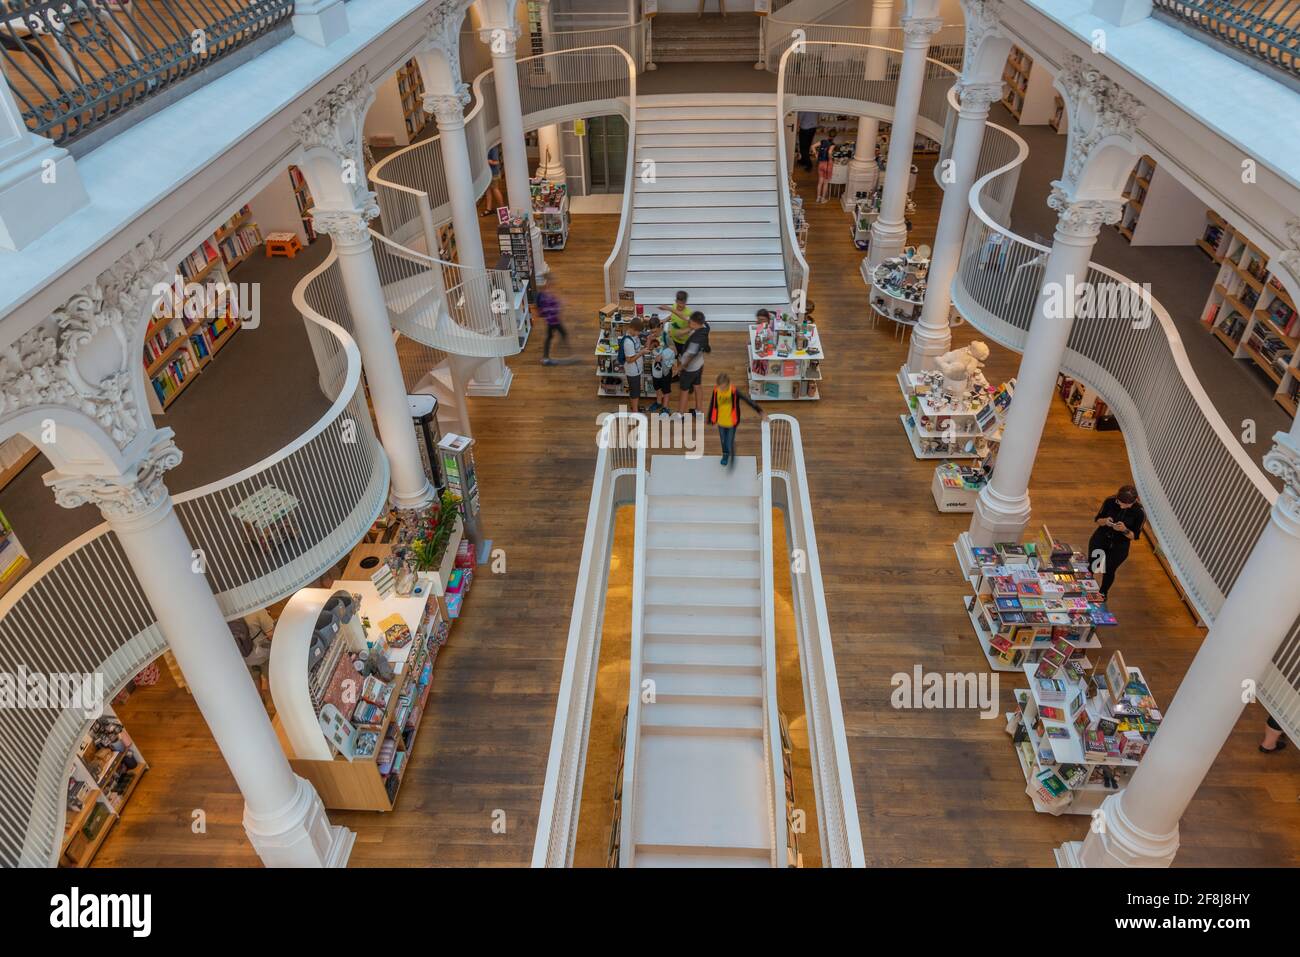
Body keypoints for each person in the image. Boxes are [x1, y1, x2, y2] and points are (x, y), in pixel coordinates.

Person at [1087, 484, 1145, 600]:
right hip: (1101, 539)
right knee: (1094, 564)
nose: (1122, 506)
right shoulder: (1110, 501)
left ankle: (1103, 592)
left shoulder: (1139, 513)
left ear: (1133, 502)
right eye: (1119, 503)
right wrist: (1105, 521)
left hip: (1119, 546)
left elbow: (1134, 536)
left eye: (1126, 505)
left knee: (1109, 570)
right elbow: (1098, 519)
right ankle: (1084, 586)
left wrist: (1125, 530)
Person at [707, 372, 765, 467]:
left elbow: (748, 400)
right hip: (721, 422)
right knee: (723, 440)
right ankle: (725, 454)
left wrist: (760, 411)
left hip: (731, 423)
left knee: (729, 440)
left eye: (724, 387)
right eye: (721, 387)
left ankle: (731, 451)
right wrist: (710, 418)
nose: (722, 389)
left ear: (729, 384)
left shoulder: (734, 391)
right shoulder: (716, 391)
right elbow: (713, 405)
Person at [675, 311, 710, 415]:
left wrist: (679, 368)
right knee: (697, 386)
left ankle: (680, 415)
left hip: (689, 369)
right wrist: (670, 309)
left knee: (684, 391)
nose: (688, 322)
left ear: (695, 323)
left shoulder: (695, 340)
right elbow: (685, 317)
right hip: (700, 364)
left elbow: (690, 356)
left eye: (690, 322)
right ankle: (698, 411)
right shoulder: (705, 326)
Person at [619, 317, 650, 414]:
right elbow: (629, 360)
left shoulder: (634, 336)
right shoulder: (628, 342)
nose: (639, 334)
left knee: (635, 389)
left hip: (636, 369)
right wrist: (641, 353)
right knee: (635, 392)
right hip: (632, 371)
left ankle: (634, 407)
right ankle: (635, 412)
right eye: (638, 332)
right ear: (632, 329)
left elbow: (638, 347)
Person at [649, 320, 676, 415]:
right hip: (655, 367)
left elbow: (674, 349)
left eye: (655, 331)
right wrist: (649, 341)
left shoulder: (666, 336)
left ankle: (665, 407)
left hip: (665, 369)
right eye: (652, 331)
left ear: (660, 327)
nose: (654, 333)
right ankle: (659, 402)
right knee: (657, 387)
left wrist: (662, 355)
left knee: (666, 389)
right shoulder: (651, 336)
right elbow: (648, 349)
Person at [537, 283, 567, 363]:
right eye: (548, 290)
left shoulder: (548, 298)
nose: (550, 291)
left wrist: (559, 304)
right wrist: (559, 305)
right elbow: (551, 310)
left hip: (553, 321)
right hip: (552, 322)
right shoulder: (546, 300)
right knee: (552, 336)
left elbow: (554, 306)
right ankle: (546, 357)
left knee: (551, 337)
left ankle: (547, 356)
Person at [659, 290, 693, 356]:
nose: (680, 307)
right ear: (676, 301)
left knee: (682, 359)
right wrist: (665, 320)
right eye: (679, 304)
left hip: (683, 342)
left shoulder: (689, 313)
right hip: (673, 339)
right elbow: (672, 315)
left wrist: (681, 333)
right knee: (675, 357)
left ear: (685, 302)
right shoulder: (674, 306)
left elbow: (691, 328)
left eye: (682, 305)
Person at [815, 129, 837, 204]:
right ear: (834, 136)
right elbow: (830, 152)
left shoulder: (822, 141)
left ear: (828, 134)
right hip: (827, 164)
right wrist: (831, 158)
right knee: (826, 182)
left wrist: (816, 154)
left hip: (821, 163)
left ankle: (818, 198)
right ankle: (823, 199)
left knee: (820, 182)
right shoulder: (832, 144)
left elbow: (812, 146)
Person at [482, 144, 506, 215]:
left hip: (493, 172)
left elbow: (496, 162)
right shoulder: (487, 145)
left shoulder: (493, 147)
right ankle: (488, 209)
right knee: (487, 190)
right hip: (487, 172)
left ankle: (503, 210)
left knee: (495, 189)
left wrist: (486, 161)